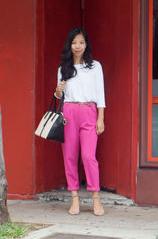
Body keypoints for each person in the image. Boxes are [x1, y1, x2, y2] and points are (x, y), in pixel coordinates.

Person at [55, 28, 105, 216]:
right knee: (69, 156)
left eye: (81, 42)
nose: (77, 46)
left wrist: (100, 118)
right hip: (68, 112)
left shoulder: (95, 67)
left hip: (89, 111)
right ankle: (74, 198)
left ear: (86, 45)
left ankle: (95, 197)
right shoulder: (63, 68)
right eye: (74, 42)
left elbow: (100, 93)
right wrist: (58, 89)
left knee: (88, 156)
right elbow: (59, 96)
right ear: (70, 45)